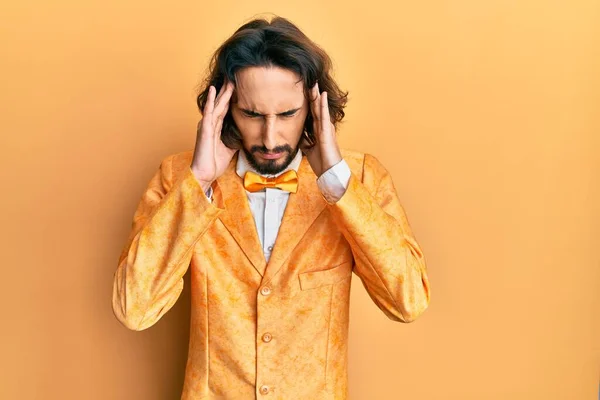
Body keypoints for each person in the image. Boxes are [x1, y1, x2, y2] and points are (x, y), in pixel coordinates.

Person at [112, 15, 430, 400]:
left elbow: (408, 301)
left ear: (315, 109)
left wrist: (336, 182)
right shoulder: (178, 178)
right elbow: (134, 308)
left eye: (287, 114)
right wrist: (198, 182)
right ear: (226, 108)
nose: (270, 136)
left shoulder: (360, 179)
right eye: (252, 114)